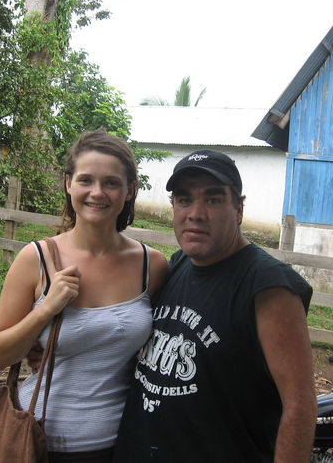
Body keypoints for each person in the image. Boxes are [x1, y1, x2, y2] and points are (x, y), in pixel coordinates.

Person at [112, 150, 317, 462]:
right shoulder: (179, 264)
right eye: (184, 199)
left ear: (238, 210)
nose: (195, 213)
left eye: (212, 200)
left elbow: (300, 406)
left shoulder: (268, 287)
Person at [0, 128, 168, 462]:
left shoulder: (151, 265)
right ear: (68, 184)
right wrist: (45, 310)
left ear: (129, 191)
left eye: (111, 182)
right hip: (39, 441)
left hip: (123, 442)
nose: (97, 192)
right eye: (86, 180)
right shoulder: (35, 259)